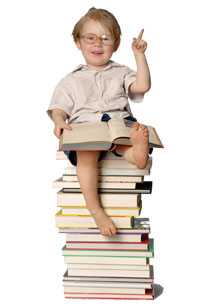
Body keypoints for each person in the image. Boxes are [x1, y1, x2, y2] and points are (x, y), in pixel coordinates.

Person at [47, 7, 151, 236]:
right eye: (90, 38)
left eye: (105, 39)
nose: (98, 44)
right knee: (88, 153)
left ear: (116, 44)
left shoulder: (122, 72)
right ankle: (95, 209)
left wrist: (139, 56)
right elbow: (58, 107)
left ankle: (137, 154)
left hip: (117, 122)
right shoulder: (71, 80)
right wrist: (59, 121)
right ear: (78, 42)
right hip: (86, 128)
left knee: (125, 139)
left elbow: (142, 86)